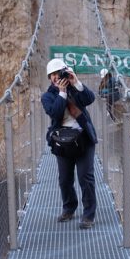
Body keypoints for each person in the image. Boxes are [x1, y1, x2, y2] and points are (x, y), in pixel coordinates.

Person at [41, 58, 98, 229]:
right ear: (49, 78)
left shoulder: (75, 87)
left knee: (85, 178)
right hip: (62, 141)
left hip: (83, 139)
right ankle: (69, 208)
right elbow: (55, 113)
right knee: (65, 180)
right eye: (52, 75)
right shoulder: (47, 96)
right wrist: (62, 93)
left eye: (59, 73)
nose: (56, 77)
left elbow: (90, 99)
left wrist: (77, 82)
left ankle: (88, 215)